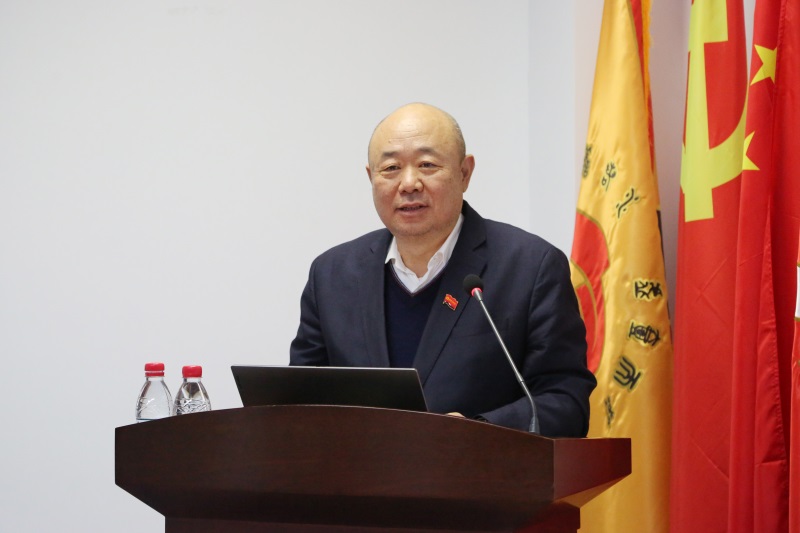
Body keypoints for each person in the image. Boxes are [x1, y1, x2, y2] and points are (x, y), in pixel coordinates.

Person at [289, 103, 595, 437]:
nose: (409, 183)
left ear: (465, 173)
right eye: (391, 168)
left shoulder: (531, 268)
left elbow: (565, 402)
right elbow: (300, 402)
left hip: (481, 468)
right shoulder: (331, 276)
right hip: (360, 469)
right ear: (371, 177)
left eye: (427, 165)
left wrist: (476, 433)